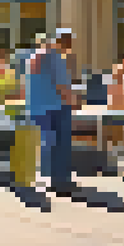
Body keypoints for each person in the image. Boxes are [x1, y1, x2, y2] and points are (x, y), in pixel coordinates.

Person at [26, 28, 77, 195]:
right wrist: (73, 102)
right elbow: (62, 85)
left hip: (37, 106)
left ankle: (47, 179)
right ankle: (61, 181)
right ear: (66, 41)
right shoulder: (55, 57)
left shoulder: (35, 56)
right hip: (56, 106)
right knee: (61, 145)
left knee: (46, 143)